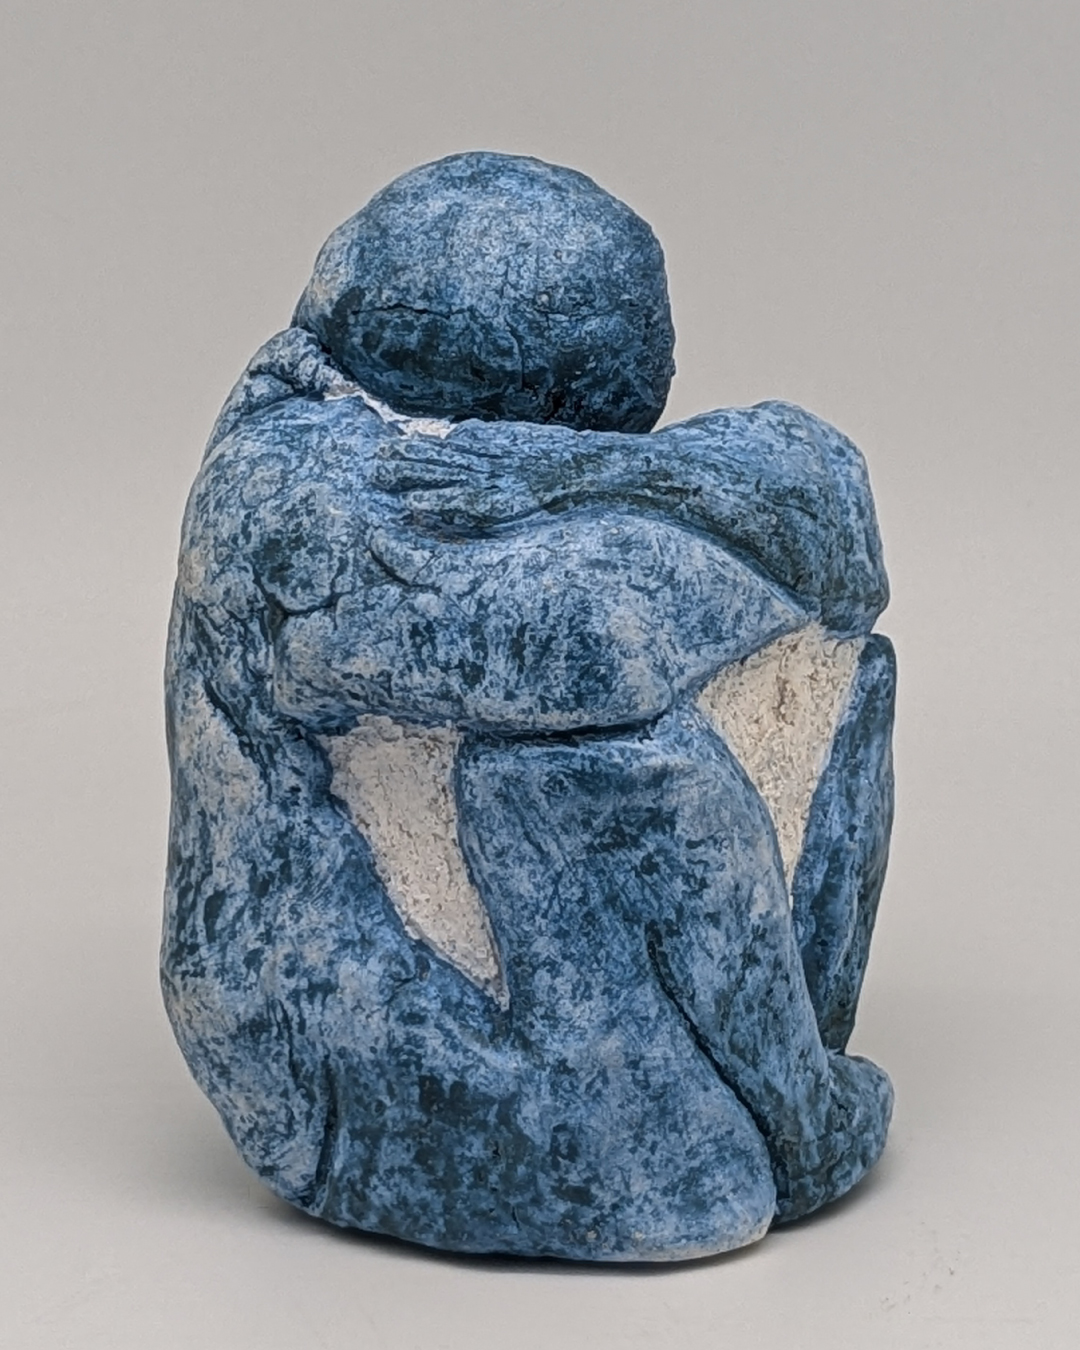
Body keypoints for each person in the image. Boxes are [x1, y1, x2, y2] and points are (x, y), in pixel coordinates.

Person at [163, 152, 895, 1260]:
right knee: (594, 771)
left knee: (854, 677)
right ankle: (788, 1116)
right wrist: (723, 532)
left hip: (515, 1005)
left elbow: (836, 500)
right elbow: (593, 645)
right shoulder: (282, 489)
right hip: (342, 1044)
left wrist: (590, 480)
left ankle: (788, 1094)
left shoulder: (451, 446)